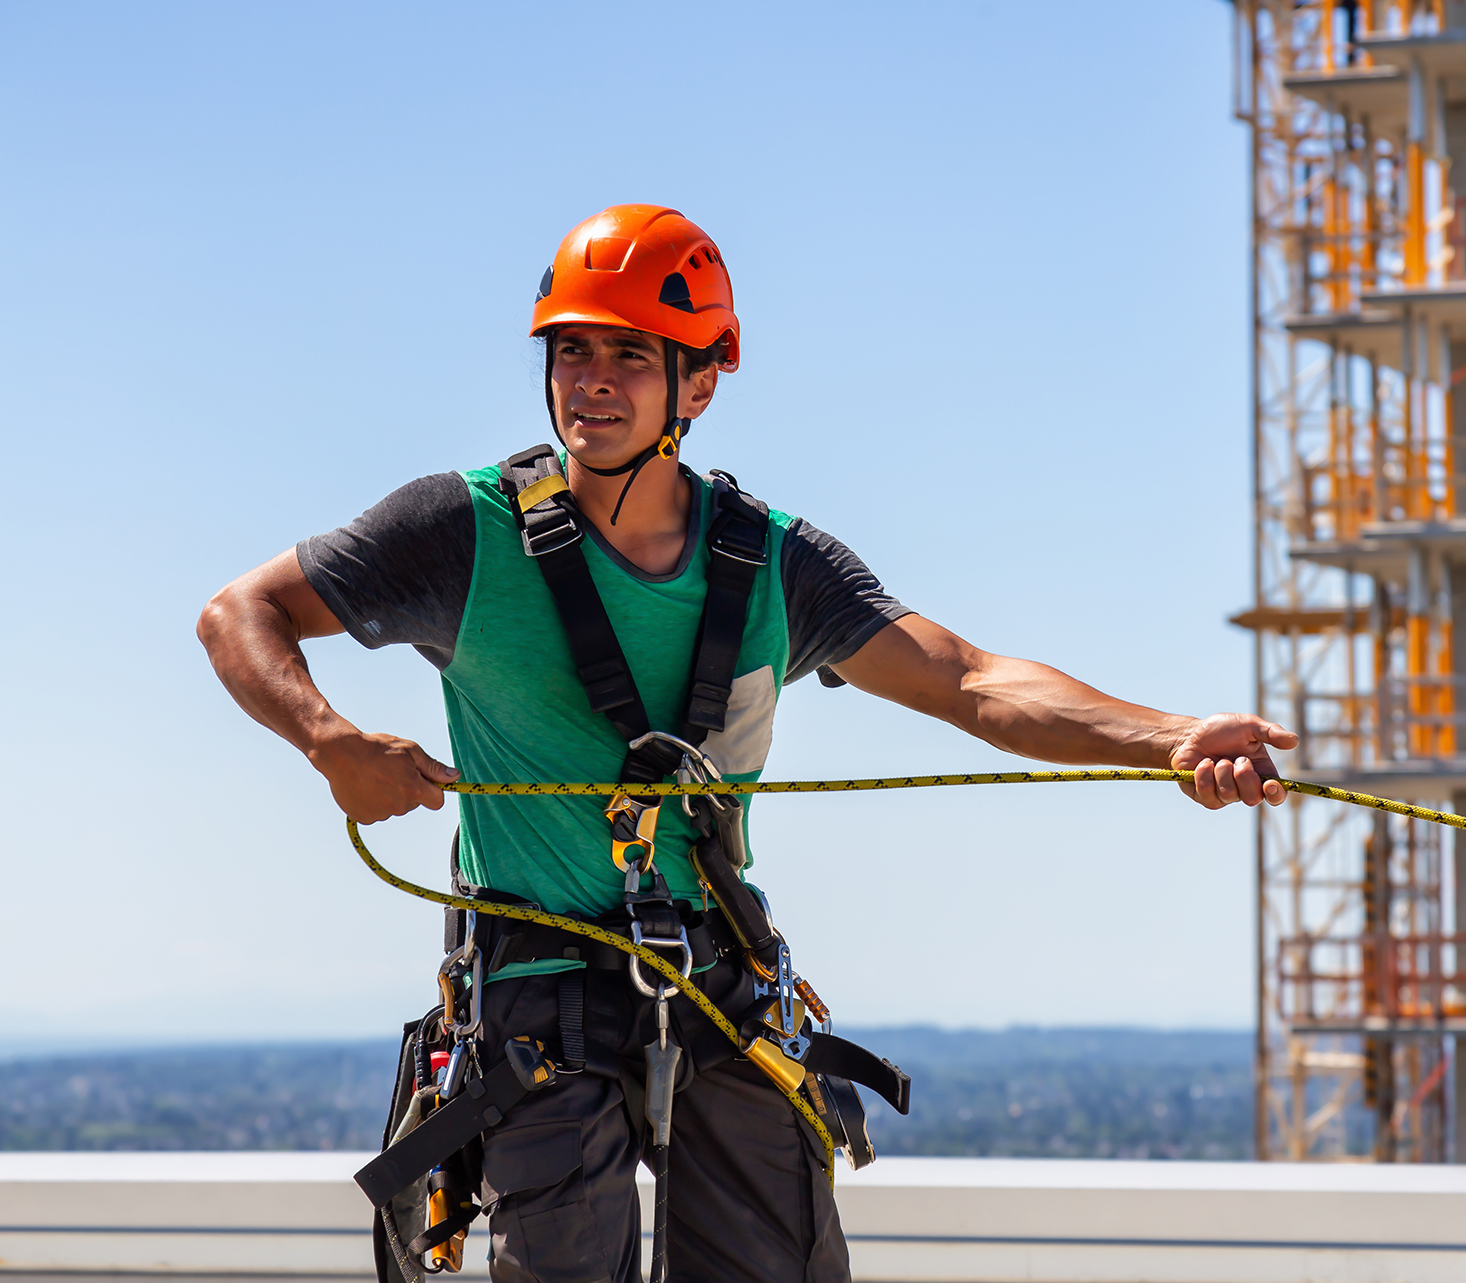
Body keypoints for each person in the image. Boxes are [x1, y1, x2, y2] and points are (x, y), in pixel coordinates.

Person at [195, 204, 1296, 1283]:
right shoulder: (462, 530)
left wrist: (1171, 737)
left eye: (628, 354)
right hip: (538, 991)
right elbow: (240, 612)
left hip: (717, 979)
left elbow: (967, 680)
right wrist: (328, 738)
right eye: (570, 349)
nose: (589, 380)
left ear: (701, 380)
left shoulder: (769, 563)